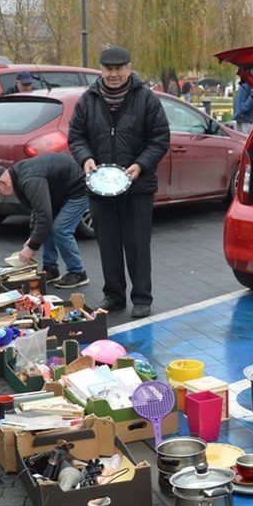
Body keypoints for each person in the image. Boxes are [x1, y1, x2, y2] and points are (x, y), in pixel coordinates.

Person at [67, 45, 169, 318]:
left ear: (129, 68)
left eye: (119, 68)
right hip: (100, 187)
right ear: (101, 70)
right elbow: (76, 136)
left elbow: (160, 138)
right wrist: (85, 158)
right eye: (108, 69)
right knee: (108, 245)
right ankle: (113, 296)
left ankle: (142, 298)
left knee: (137, 245)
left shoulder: (146, 98)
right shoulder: (88, 99)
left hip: (138, 187)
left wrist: (141, 164)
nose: (113, 74)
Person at [0, 155, 90, 288]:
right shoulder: (18, 177)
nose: (1, 196)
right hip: (61, 191)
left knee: (60, 229)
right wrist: (33, 238)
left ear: (3, 183)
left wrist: (32, 247)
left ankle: (78, 272)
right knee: (45, 228)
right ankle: (51, 269)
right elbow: (37, 208)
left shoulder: (29, 180)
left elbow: (44, 216)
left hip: (78, 188)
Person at [233, 68, 253, 133]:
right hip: (242, 118)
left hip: (249, 120)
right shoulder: (248, 71)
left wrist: (243, 108)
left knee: (245, 141)